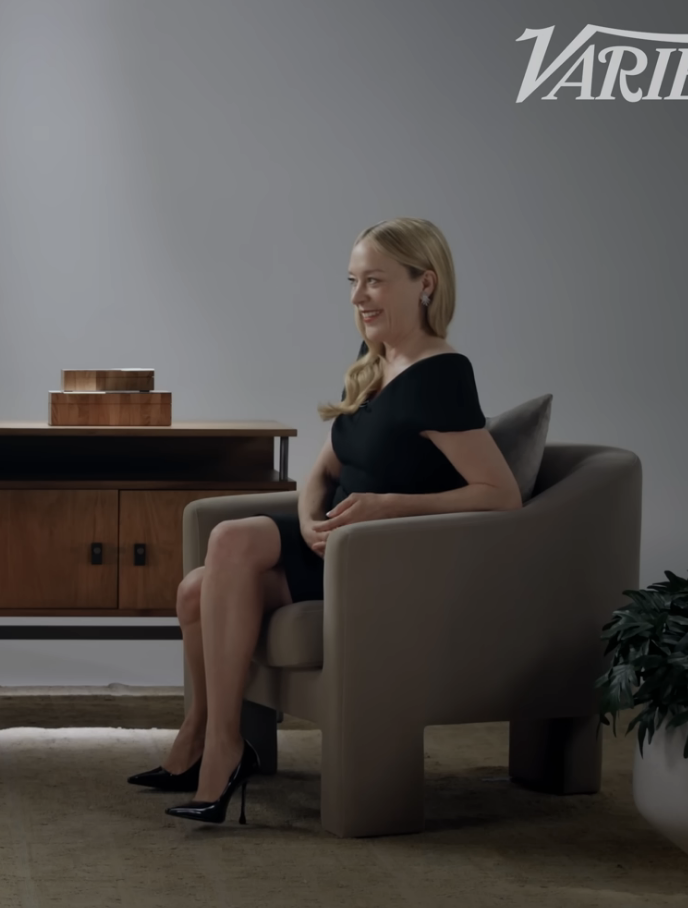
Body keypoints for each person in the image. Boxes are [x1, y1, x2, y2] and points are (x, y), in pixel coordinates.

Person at [128, 217, 523, 824]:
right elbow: (324, 465)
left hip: (381, 560)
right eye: (352, 281)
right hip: (331, 548)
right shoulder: (374, 361)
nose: (358, 297)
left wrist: (388, 506)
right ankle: (202, 732)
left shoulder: (444, 374)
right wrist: (310, 519)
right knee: (193, 589)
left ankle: (223, 749)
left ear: (426, 284)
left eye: (374, 281)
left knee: (229, 538)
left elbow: (500, 494)